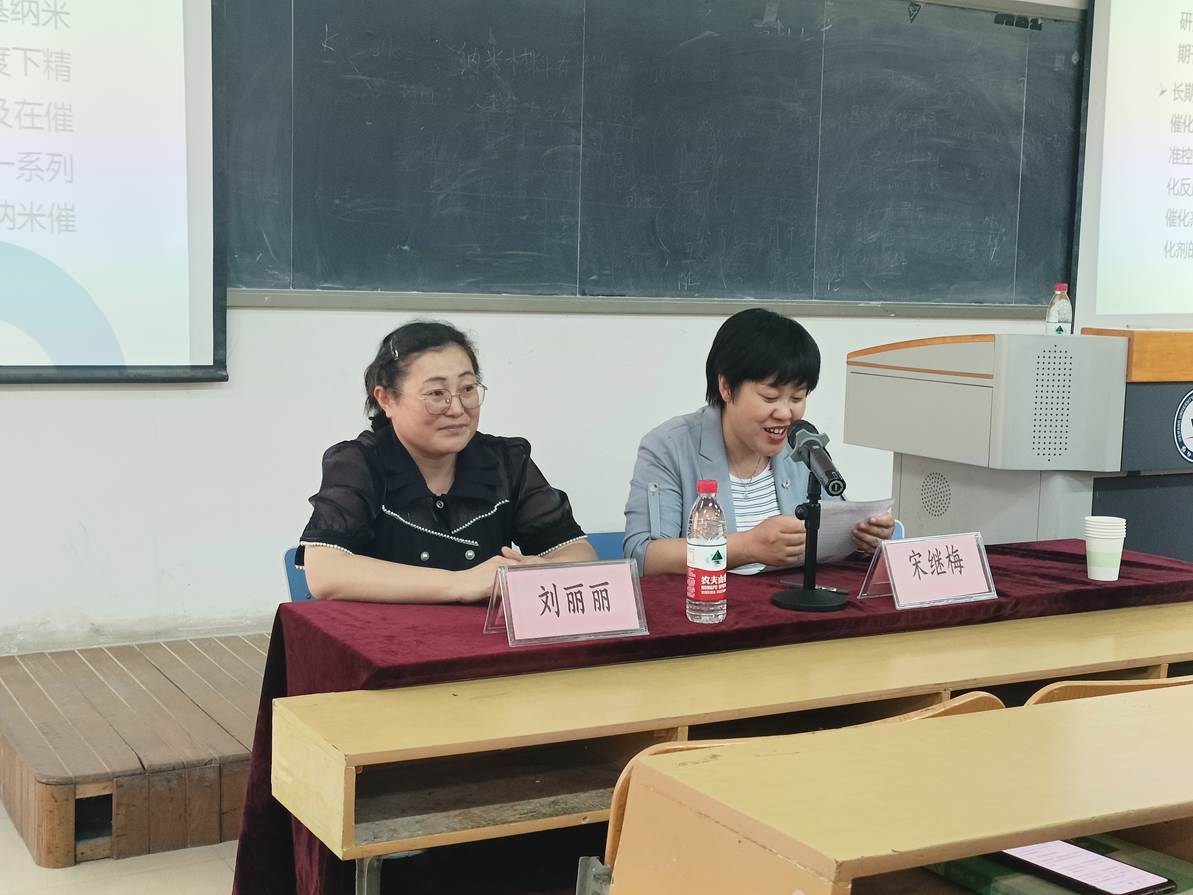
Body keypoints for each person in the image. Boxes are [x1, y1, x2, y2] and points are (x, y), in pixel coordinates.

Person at [298, 320, 596, 602]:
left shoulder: (506, 462)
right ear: (386, 399)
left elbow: (578, 553)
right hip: (380, 634)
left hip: (480, 634)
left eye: (467, 389)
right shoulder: (359, 462)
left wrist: (539, 570)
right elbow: (325, 572)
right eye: (436, 393)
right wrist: (462, 583)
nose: (456, 409)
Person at [624, 308, 894, 576]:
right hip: (709, 600)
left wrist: (863, 540)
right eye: (769, 397)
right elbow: (645, 557)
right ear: (726, 387)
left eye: (797, 398)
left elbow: (832, 531)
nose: (785, 413)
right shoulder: (669, 446)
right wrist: (747, 547)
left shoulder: (802, 444)